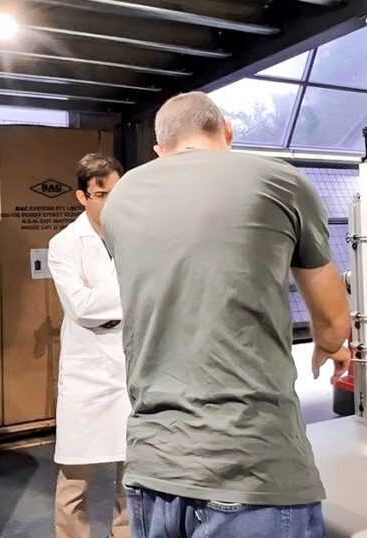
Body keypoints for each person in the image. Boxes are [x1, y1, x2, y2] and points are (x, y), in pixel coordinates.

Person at [100, 91, 351, 538]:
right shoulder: (279, 180)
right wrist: (329, 348)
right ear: (228, 130)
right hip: (252, 468)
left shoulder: (120, 200)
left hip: (152, 471)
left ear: (160, 150)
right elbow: (334, 320)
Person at [48, 153, 131, 538]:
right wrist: (127, 295)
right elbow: (81, 307)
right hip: (86, 376)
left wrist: (105, 299)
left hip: (130, 370)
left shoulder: (134, 235)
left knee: (132, 482)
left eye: (116, 191)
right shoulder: (64, 244)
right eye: (100, 194)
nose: (109, 202)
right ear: (82, 197)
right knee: (72, 487)